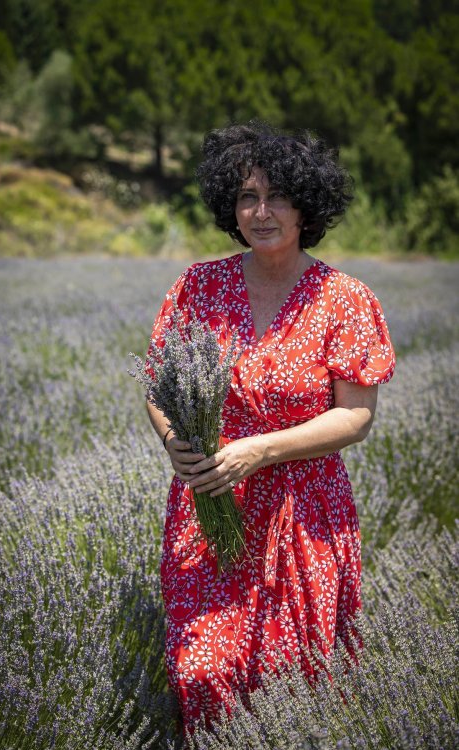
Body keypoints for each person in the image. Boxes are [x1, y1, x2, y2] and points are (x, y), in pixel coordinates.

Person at [145, 121, 395, 734]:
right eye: (247, 197)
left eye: (278, 196)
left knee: (290, 681)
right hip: (211, 504)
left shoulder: (343, 298)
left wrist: (261, 449)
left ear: (307, 206)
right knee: (202, 670)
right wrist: (176, 441)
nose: (261, 212)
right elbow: (159, 385)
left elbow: (356, 416)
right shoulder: (198, 287)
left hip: (304, 514)